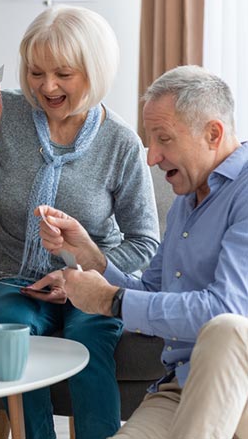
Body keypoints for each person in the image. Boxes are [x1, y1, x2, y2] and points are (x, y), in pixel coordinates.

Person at [0, 5, 160, 439]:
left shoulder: (121, 142)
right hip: (15, 280)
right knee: (14, 343)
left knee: (89, 346)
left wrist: (78, 273)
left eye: (63, 74)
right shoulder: (5, 114)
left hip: (91, 282)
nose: (46, 86)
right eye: (36, 72)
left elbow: (144, 243)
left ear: (93, 70)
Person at [36, 65, 248, 439]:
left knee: (227, 329)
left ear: (212, 133)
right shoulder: (188, 197)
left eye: (164, 139)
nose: (151, 157)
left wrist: (111, 300)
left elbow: (224, 310)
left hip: (238, 387)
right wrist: (91, 257)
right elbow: (152, 294)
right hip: (178, 388)